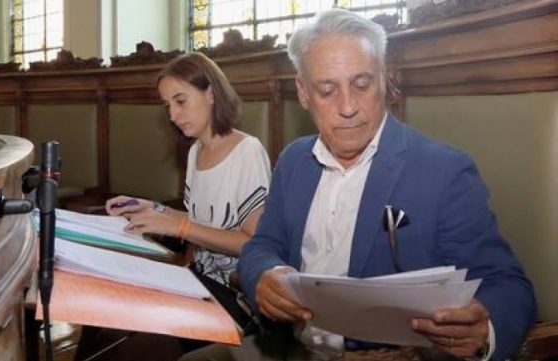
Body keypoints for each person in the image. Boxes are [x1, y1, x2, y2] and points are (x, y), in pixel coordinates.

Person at [182, 8, 537, 361]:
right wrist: (265, 275)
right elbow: (262, 245)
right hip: (289, 346)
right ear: (304, 94)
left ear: (385, 80)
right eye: (327, 90)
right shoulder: (294, 160)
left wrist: (483, 331)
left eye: (361, 85)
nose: (348, 107)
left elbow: (509, 286)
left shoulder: (444, 170)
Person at [74, 52, 272, 361]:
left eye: (181, 101)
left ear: (210, 93)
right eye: (168, 105)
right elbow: (201, 221)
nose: (173, 115)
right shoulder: (196, 152)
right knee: (99, 325)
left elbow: (251, 243)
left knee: (133, 351)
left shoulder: (247, 151)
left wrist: (178, 226)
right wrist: (153, 208)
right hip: (196, 281)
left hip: (234, 295)